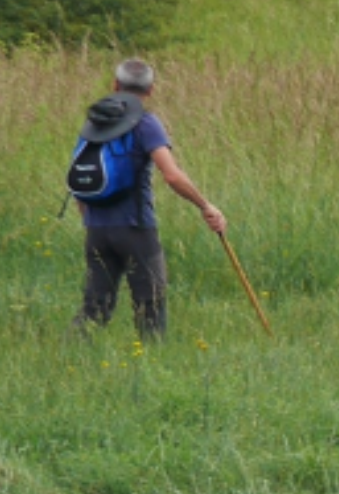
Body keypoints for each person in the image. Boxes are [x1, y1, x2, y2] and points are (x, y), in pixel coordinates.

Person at [71, 58, 226, 341]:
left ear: (115, 85)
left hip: (96, 229)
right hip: (136, 228)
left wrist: (89, 219)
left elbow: (77, 177)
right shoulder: (145, 123)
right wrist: (206, 206)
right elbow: (172, 176)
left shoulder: (94, 122)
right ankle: (152, 365)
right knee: (150, 306)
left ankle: (68, 360)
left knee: (95, 308)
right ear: (151, 90)